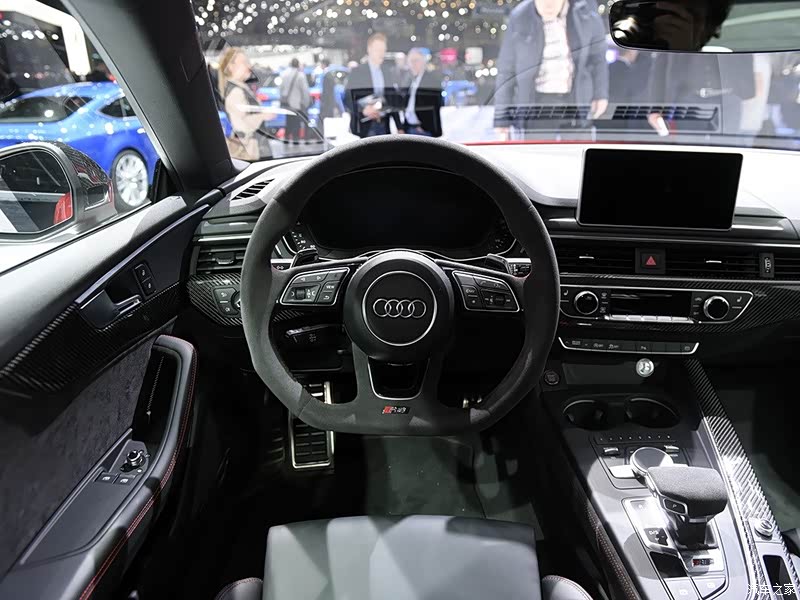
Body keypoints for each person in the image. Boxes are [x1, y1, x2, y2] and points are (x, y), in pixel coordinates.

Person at [494, 0, 609, 137]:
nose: (548, 4)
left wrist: (600, 94)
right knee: (539, 149)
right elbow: (506, 70)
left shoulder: (586, 13)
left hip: (577, 100)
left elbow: (598, 60)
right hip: (537, 104)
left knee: (578, 150)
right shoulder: (519, 17)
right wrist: (501, 119)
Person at [217, 47, 274, 159]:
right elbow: (243, 124)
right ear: (231, 67)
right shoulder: (236, 91)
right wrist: (264, 115)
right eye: (244, 62)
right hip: (251, 151)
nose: (249, 66)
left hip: (253, 149)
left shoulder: (238, 88)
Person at [344, 33, 403, 137]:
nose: (381, 53)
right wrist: (362, 110)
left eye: (383, 50)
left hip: (384, 125)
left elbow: (391, 99)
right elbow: (347, 98)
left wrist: (399, 127)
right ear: (369, 49)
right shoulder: (357, 72)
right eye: (378, 49)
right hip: (365, 126)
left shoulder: (387, 72)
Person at [401, 49, 444, 137]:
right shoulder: (409, 80)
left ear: (423, 62)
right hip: (409, 129)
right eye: (410, 61)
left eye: (416, 60)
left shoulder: (432, 80)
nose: (413, 64)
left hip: (424, 131)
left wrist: (424, 127)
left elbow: (436, 104)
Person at [280, 58, 311, 144]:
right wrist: (306, 103)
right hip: (297, 104)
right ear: (298, 65)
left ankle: (286, 140)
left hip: (287, 104)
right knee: (296, 124)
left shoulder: (284, 74)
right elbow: (305, 91)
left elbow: (280, 89)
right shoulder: (300, 75)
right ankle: (295, 141)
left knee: (288, 123)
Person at [319, 58, 342, 135]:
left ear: (324, 64)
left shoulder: (327, 75)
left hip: (327, 102)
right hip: (329, 102)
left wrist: (323, 102)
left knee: (327, 119)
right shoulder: (329, 74)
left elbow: (327, 92)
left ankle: (329, 135)